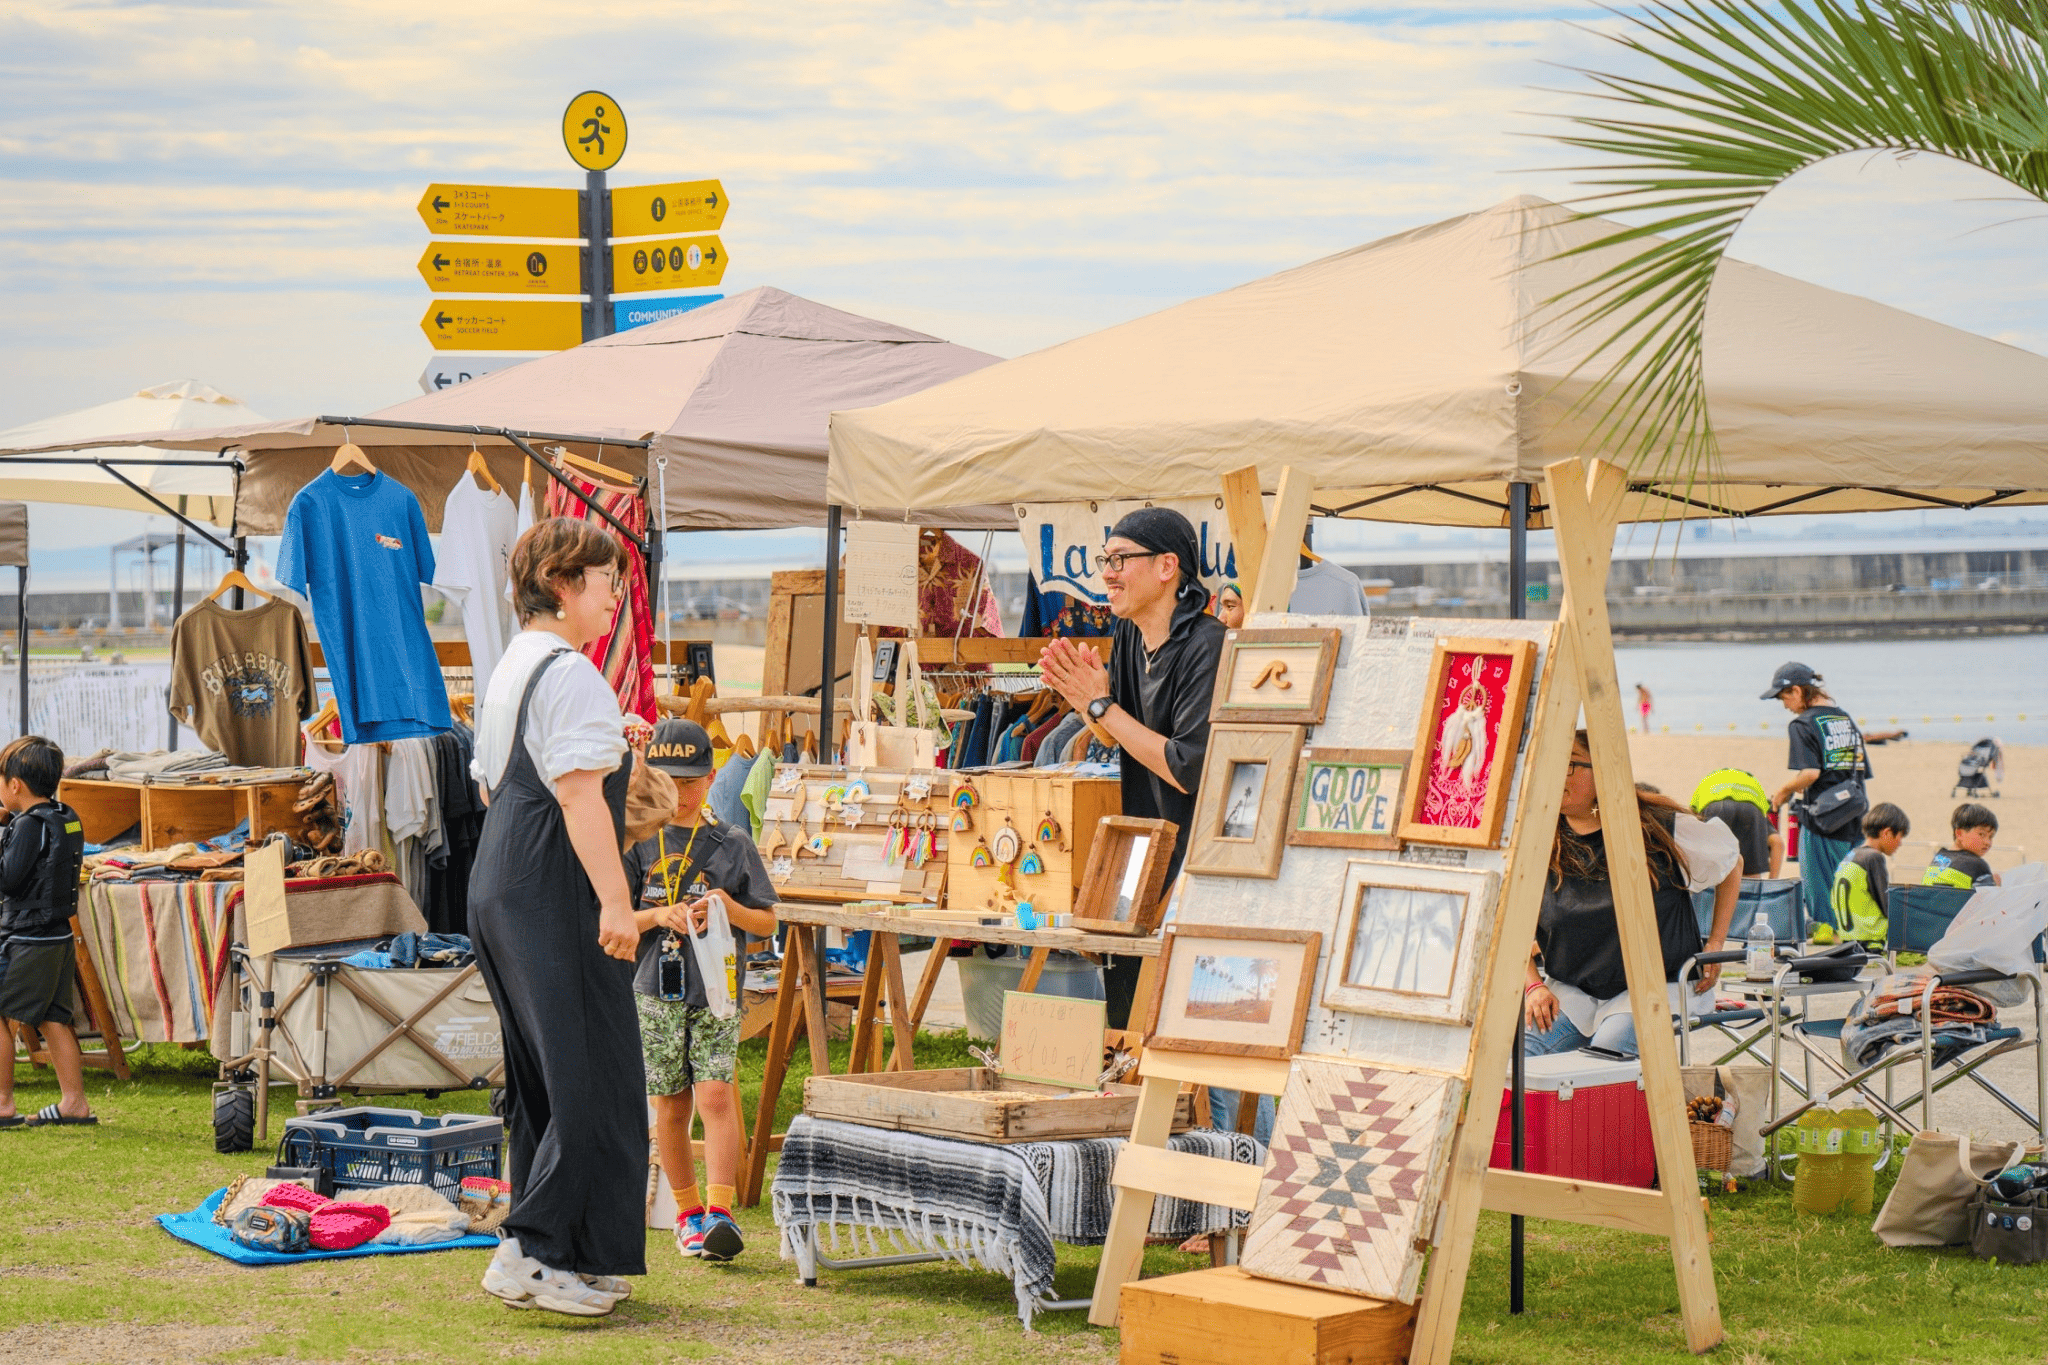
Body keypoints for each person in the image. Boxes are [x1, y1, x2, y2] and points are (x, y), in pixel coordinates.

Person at [468, 518, 645, 1317]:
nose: (616, 596)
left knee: (546, 1078)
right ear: (567, 582)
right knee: (589, 1073)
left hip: (502, 876)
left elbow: (491, 782)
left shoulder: (515, 662)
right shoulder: (571, 671)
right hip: (550, 885)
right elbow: (576, 794)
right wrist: (616, 899)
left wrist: (611, 742)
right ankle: (534, 1249)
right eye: (608, 580)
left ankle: (556, 1247)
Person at [1040, 507, 1226, 1028]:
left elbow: (1187, 767)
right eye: (1105, 559)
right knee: (1126, 1016)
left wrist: (1103, 708)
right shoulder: (1128, 635)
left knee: (1192, 1028)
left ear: (1167, 567)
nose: (1107, 572)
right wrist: (1086, 702)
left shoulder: (1205, 645)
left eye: (1121, 559)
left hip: (1195, 862)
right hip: (1141, 851)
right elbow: (1117, 738)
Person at [622, 719, 779, 1265]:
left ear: (712, 778)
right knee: (669, 1102)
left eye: (692, 781)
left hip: (717, 989)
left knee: (714, 1094)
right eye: (669, 779)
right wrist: (657, 916)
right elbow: (612, 918)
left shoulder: (732, 842)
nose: (682, 793)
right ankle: (686, 1216)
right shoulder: (636, 841)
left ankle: (721, 1213)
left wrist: (726, 910)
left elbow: (766, 923)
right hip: (652, 988)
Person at [1525, 731, 1741, 1058]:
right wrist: (1534, 986)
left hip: (1653, 989)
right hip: (1574, 993)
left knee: (1606, 1056)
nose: (1554, 773)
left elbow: (1732, 863)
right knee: (1516, 1056)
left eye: (1568, 764)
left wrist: (1716, 942)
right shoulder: (1540, 838)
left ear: (1604, 771)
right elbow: (1512, 931)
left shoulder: (1658, 827)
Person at [0, 736, 91, 1128]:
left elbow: (9, 880)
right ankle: (74, 1102)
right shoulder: (63, 815)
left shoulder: (27, 826)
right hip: (56, 936)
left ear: (15, 784)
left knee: (1, 1016)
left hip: (28, 938)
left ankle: (2, 1103)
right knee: (54, 1017)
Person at [1763, 663, 1870, 940]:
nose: (1784, 705)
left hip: (1823, 818)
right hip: (1856, 814)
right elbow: (1859, 770)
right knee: (1850, 881)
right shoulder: (1844, 719)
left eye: (1784, 697)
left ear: (1797, 690)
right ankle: (1855, 936)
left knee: (1820, 888)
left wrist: (1784, 791)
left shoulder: (1803, 724)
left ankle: (1829, 941)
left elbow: (1811, 773)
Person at [1832, 803, 1909, 946]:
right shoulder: (1873, 858)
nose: (1900, 843)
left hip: (1848, 937)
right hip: (1870, 939)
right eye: (1900, 836)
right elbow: (1887, 905)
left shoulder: (1852, 855)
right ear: (1886, 833)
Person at [1689, 767, 1783, 878]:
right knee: (1751, 879)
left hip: (1715, 805)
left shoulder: (1707, 782)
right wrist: (1772, 885)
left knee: (1713, 874)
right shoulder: (1755, 797)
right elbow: (1777, 843)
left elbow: (1691, 824)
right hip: (1751, 808)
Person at [1925, 802, 2001, 889]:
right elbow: (1989, 900)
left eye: (1991, 837)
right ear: (1959, 833)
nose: (1987, 842)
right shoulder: (1978, 866)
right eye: (1981, 834)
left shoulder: (1938, 859)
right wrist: (1996, 885)